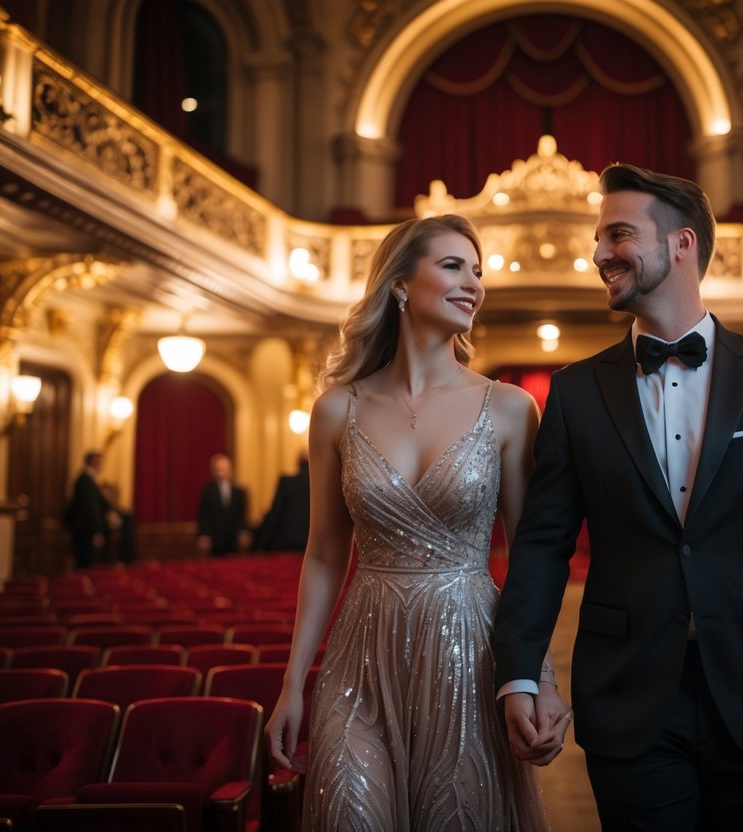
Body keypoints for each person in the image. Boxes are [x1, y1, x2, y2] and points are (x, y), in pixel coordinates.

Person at [493, 163, 743, 830]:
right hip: (627, 697)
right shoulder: (574, 392)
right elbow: (540, 546)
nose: (598, 254)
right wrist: (520, 674)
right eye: (598, 239)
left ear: (681, 244)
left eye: (617, 234)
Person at [264, 214, 568, 830]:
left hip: (471, 658)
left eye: (478, 272)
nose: (474, 284)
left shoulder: (509, 408)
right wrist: (294, 681)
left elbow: (530, 558)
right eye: (454, 266)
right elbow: (324, 554)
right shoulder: (335, 410)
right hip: (361, 660)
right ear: (400, 284)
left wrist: (539, 678)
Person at [64, 450, 112, 569]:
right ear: (94, 463)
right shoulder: (85, 481)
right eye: (100, 463)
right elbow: (90, 508)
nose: (101, 466)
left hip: (86, 530)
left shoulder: (87, 480)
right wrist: (97, 530)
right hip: (86, 531)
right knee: (87, 565)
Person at [253, 455, 311, 552]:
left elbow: (276, 512)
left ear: (298, 464)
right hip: (312, 544)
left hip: (288, 542)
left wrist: (261, 545)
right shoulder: (324, 485)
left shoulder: (287, 482)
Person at [195, 453, 249, 556]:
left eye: (225, 469)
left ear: (231, 470)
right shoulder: (208, 491)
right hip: (214, 538)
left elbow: (242, 515)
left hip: (233, 538)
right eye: (219, 469)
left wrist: (243, 531)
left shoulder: (239, 492)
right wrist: (204, 534)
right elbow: (203, 514)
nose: (222, 472)